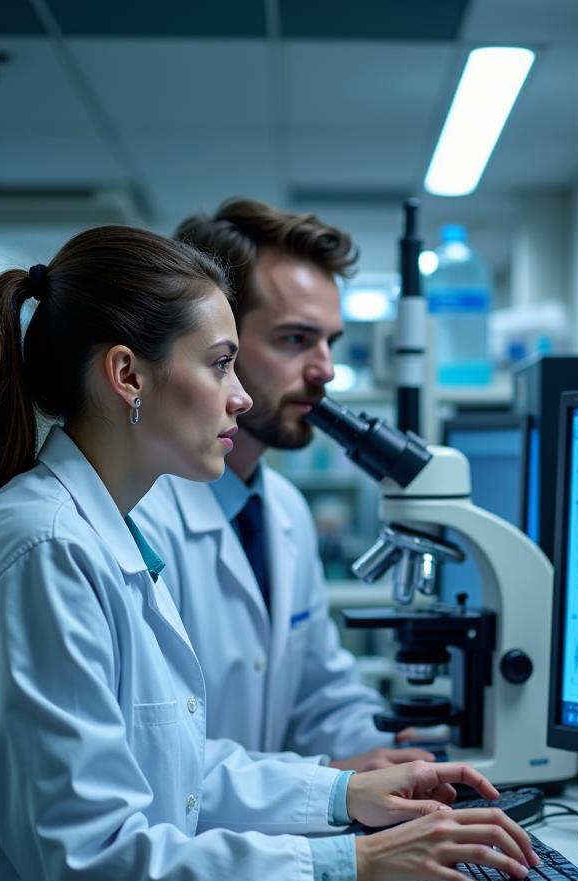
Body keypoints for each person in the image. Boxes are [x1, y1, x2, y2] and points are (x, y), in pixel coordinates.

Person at [0, 226, 539, 881]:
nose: (240, 396)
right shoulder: (41, 553)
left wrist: (347, 793)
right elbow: (96, 866)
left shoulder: (100, 536)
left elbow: (176, 774)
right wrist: (359, 862)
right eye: (218, 364)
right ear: (127, 375)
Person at [132, 200, 425, 774]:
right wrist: (337, 788)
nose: (326, 371)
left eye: (329, 342)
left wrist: (399, 752)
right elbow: (157, 765)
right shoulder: (138, 515)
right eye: (295, 340)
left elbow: (318, 691)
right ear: (215, 339)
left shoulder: (284, 509)